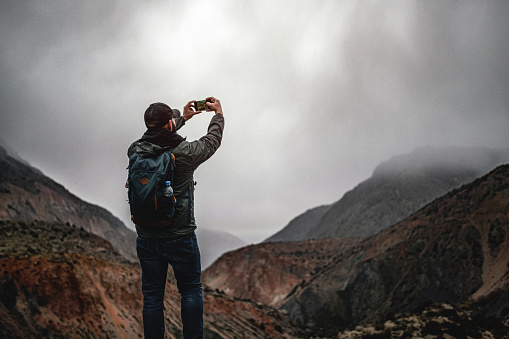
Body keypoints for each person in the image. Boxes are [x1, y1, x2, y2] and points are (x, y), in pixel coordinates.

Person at [127, 97, 224, 339]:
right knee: (190, 291)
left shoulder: (134, 150)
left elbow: (154, 139)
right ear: (169, 124)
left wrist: (183, 119)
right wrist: (218, 115)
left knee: (152, 295)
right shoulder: (185, 153)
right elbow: (212, 142)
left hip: (146, 237)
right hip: (180, 237)